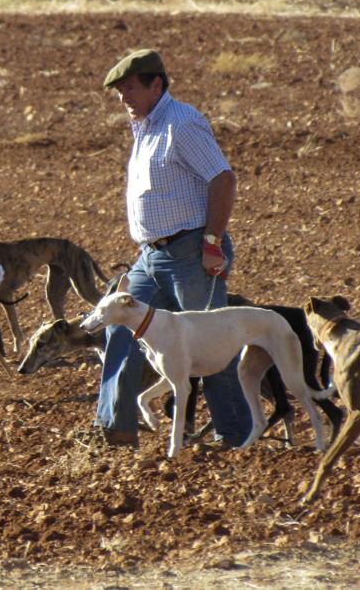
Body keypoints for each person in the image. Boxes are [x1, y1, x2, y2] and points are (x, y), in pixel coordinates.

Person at [89, 48, 252, 449]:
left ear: (156, 84)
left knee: (211, 342)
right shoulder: (145, 126)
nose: (122, 98)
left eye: (128, 88)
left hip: (191, 253)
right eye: (118, 92)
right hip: (151, 257)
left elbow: (223, 180)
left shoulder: (182, 123)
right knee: (118, 327)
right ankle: (116, 430)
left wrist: (212, 243)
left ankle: (236, 437)